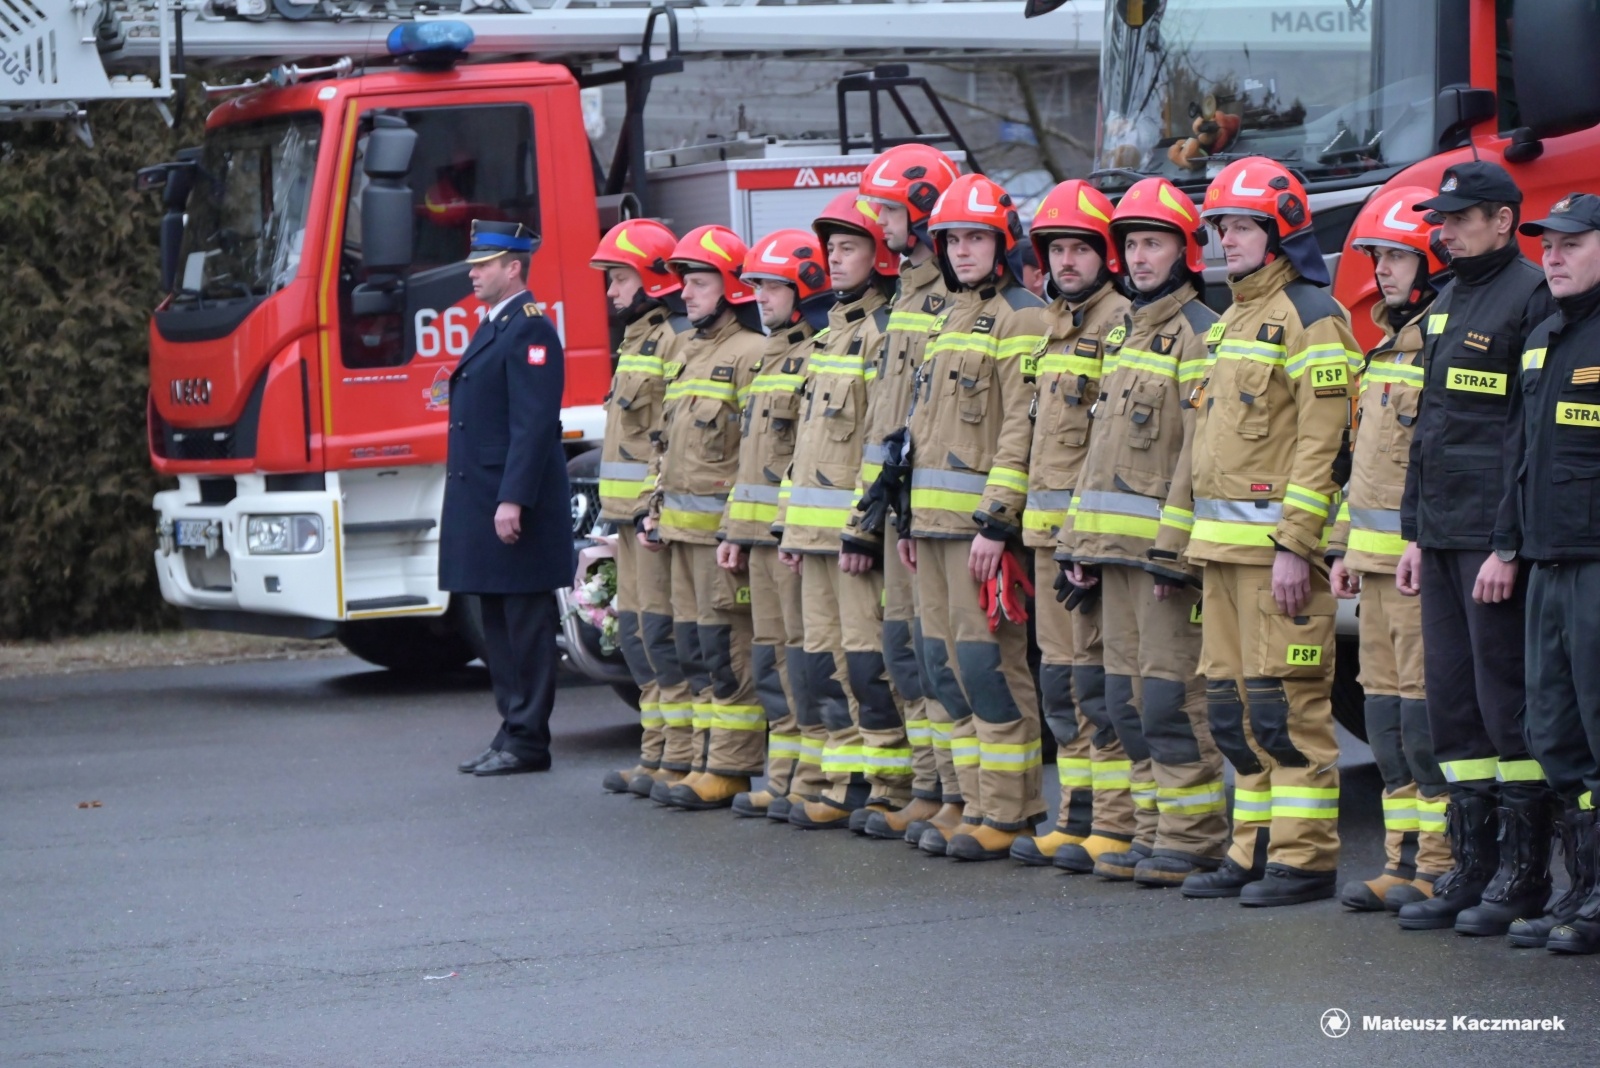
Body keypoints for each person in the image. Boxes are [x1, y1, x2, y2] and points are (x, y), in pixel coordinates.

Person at [1179, 157, 1362, 906]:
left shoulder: (1312, 315)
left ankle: (1304, 858)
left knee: (1289, 708)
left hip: (1276, 558)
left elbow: (1326, 444)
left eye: (1242, 226)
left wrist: (1296, 545)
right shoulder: (1229, 320)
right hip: (1221, 554)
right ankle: (1251, 849)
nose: (1226, 240)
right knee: (1234, 711)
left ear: (1281, 231)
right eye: (1220, 227)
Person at [1393, 162, 1560, 934]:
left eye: (1460, 219)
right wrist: (1413, 534)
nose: (1446, 231)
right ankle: (1473, 866)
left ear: (1502, 220)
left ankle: (1525, 875)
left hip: (1491, 542)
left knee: (1505, 708)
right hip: (1441, 535)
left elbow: (1528, 436)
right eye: (1442, 220)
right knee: (1453, 708)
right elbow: (1429, 429)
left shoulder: (1531, 295)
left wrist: (1507, 544)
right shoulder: (1447, 299)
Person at [1059, 176, 1228, 886]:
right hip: (1111, 556)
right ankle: (1151, 831)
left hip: (1161, 561)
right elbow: (1094, 450)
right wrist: (1076, 543)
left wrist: (1174, 552)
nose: (1139, 256)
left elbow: (1198, 453)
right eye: (1131, 244)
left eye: (1153, 243)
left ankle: (1192, 838)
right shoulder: (1126, 329)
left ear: (1184, 251)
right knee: (1126, 703)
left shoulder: (1200, 333)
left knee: (1169, 699)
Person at [902, 172, 1050, 861]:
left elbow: (1021, 427)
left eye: (975, 238)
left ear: (1002, 243)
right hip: (931, 528)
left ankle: (1011, 811)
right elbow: (922, 432)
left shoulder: (1024, 317)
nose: (962, 251)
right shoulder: (947, 318)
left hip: (977, 534)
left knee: (989, 667)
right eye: (952, 239)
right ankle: (969, 802)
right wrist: (908, 520)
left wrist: (996, 523)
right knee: (945, 669)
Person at [1325, 188, 1454, 912]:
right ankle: (1402, 861)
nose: (1383, 271)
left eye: (1398, 257)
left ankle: (1441, 863)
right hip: (1372, 571)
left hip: (1415, 571)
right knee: (1384, 721)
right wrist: (1341, 547)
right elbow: (1363, 469)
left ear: (1430, 261)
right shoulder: (1381, 349)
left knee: (1424, 721)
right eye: (1378, 257)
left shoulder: (1440, 347)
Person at [1005, 179, 1130, 868]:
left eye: (1080, 248)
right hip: (1048, 541)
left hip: (1092, 545)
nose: (1068, 261)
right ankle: (1076, 817)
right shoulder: (1052, 326)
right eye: (1057, 250)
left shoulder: (1120, 325)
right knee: (1062, 684)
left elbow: (1111, 449)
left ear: (1104, 254)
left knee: (1100, 686)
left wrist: (1087, 539)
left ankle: (1115, 821)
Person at [848, 143, 965, 843]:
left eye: (890, 210)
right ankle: (930, 788)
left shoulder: (946, 300)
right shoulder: (905, 297)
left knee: (941, 657)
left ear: (922, 213)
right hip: (898, 506)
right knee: (906, 653)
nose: (881, 223)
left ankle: (959, 794)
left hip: (930, 509)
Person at [775, 193, 899, 829]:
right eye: (832, 249)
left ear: (879, 255)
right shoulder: (831, 335)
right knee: (823, 663)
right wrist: (791, 527)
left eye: (849, 248)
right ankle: (844, 778)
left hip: (851, 538)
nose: (836, 259)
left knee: (865, 663)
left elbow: (880, 441)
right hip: (814, 535)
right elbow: (805, 446)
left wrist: (864, 530)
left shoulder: (882, 334)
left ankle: (887, 786)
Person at [641, 225, 769, 810]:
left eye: (698, 283)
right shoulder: (688, 352)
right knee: (693, 649)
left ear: (732, 289)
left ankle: (731, 767)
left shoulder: (751, 354)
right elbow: (664, 444)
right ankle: (700, 758)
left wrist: (737, 530)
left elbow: (755, 453)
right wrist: (654, 510)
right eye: (684, 283)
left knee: (727, 652)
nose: (685, 294)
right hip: (678, 536)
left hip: (719, 540)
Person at [445, 220, 575, 777]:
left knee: (524, 625)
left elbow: (533, 424)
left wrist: (513, 499)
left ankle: (528, 740)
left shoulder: (530, 329)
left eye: (484, 265)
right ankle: (511, 728)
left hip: (512, 505)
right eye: (474, 265)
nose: (473, 274)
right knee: (497, 624)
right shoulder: (498, 325)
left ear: (513, 267)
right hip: (486, 499)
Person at [1507, 192, 1600, 954]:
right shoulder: (1542, 337)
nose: (1554, 256)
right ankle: (1583, 887)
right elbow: (1520, 453)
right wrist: (1507, 545)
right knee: (1554, 733)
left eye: (1572, 243)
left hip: (1597, 565)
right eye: (1548, 245)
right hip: (1547, 562)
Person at [723, 229, 835, 820]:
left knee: (803, 657)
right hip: (759, 535)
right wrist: (734, 531)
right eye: (756, 286)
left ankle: (814, 778)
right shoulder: (766, 357)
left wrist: (783, 528)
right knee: (771, 659)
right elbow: (747, 460)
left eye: (771, 286)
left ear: (804, 290)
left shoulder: (816, 354)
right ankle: (786, 775)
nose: (760, 297)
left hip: (792, 533)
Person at [590, 220, 699, 798]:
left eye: (619, 278)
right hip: (628, 520)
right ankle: (657, 752)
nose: (611, 291)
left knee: (661, 633)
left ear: (654, 279)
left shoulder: (675, 339)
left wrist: (654, 509)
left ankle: (682, 756)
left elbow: (672, 437)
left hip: (653, 520)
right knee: (635, 633)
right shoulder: (637, 340)